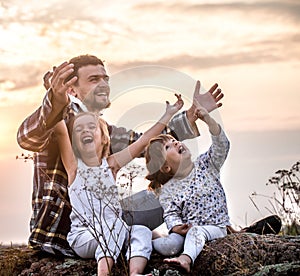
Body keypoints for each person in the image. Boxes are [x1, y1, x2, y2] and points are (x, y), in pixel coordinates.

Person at [17, 54, 224, 256]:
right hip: (65, 233)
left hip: (106, 220)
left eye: (105, 78)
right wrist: (55, 99)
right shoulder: (59, 121)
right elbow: (27, 138)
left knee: (167, 192)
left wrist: (190, 116)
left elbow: (147, 144)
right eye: (94, 79)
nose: (104, 84)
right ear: (72, 90)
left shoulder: (104, 131)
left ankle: (206, 231)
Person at [54, 93, 183, 275]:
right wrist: (55, 95)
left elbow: (144, 140)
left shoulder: (111, 165)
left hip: (117, 231)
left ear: (104, 138)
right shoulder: (74, 168)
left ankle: (135, 272)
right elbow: (59, 130)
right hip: (84, 237)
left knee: (141, 231)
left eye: (92, 127)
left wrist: (168, 114)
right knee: (115, 226)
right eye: (78, 129)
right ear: (73, 142)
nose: (85, 131)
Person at [144, 91, 230, 273]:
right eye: (168, 147)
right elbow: (170, 213)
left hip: (214, 228)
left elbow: (222, 145)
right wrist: (176, 226)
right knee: (170, 244)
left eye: (174, 141)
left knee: (196, 232)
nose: (176, 143)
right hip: (186, 233)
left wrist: (208, 120)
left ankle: (185, 260)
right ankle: (145, 244)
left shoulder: (206, 165)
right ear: (166, 168)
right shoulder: (167, 190)